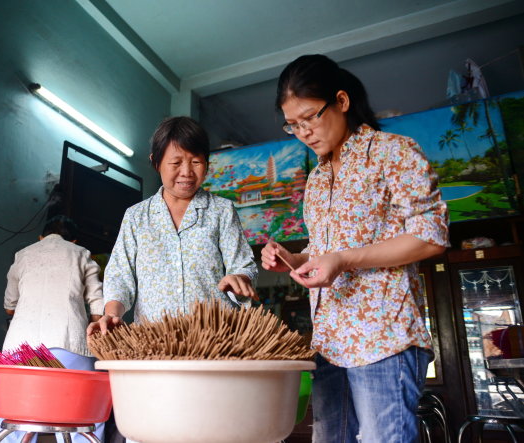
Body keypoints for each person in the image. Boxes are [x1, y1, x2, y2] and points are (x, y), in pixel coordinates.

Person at [260, 54, 449, 443]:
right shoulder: (316, 178)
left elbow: (431, 235)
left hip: (384, 338)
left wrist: (344, 260)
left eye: (311, 116)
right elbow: (323, 248)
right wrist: (293, 260)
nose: (304, 132)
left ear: (342, 101)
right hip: (329, 341)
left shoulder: (392, 153)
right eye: (293, 125)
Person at [87, 116, 258, 335]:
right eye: (176, 163)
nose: (186, 172)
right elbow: (120, 274)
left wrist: (240, 279)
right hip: (154, 340)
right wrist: (111, 313)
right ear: (156, 162)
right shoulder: (136, 217)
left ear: (207, 163)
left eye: (196, 162)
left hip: (214, 339)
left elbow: (243, 265)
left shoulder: (221, 211)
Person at [0, 215, 106, 442]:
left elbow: (9, 308)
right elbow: (98, 311)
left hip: (20, 349)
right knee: (87, 412)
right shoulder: (82, 254)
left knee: (14, 415)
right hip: (70, 345)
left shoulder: (23, 255)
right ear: (74, 241)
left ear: (40, 238)